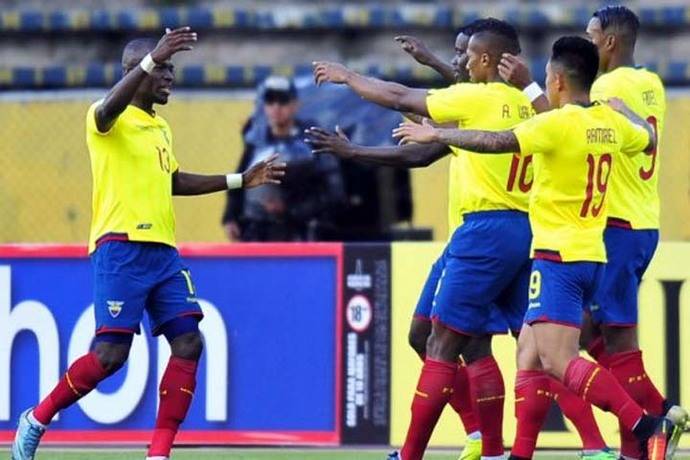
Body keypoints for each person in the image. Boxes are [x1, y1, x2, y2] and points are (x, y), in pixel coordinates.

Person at [309, 19, 611, 460]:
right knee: (515, 347)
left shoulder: (475, 98)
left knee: (443, 343)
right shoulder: (538, 105)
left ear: (487, 59)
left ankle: (414, 453)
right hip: (525, 230)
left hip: (483, 232)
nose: (462, 61)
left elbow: (399, 97)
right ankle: (523, 445)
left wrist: (347, 76)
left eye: (467, 54)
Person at [392, 35, 676, 460]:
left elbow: (496, 142)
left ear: (558, 80)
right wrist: (627, 113)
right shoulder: (610, 123)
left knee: (559, 360)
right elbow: (649, 140)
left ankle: (644, 423)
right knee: (529, 356)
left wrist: (435, 132)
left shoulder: (556, 125)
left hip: (557, 257)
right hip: (592, 253)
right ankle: (520, 455)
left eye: (546, 76)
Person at [11, 28, 285, 460]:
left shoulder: (160, 128)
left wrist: (239, 180)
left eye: (171, 70)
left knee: (190, 342)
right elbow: (107, 110)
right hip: (120, 248)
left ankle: (158, 453)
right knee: (109, 356)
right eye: (165, 70)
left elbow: (173, 179)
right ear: (140, 71)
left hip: (163, 252)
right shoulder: (105, 120)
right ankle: (37, 418)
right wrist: (151, 59)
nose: (170, 79)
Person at [498, 5, 688, 458]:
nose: (585, 42)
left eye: (589, 35)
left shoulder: (603, 88)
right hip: (642, 221)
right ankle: (654, 419)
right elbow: (640, 136)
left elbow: (565, 127)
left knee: (596, 347)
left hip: (611, 228)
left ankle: (648, 428)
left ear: (608, 43)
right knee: (547, 345)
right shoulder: (652, 85)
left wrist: (527, 85)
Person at [222, 75, 344, 242]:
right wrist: (230, 217)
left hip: (300, 232)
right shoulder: (256, 142)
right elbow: (240, 180)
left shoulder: (313, 141)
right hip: (256, 231)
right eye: (270, 102)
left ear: (295, 105)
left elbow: (333, 192)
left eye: (283, 101)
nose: (276, 107)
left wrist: (289, 209)